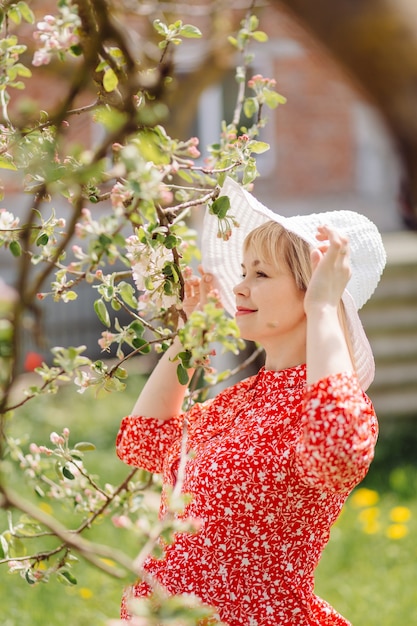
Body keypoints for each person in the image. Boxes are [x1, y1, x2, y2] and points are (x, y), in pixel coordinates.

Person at [116, 177, 387, 625]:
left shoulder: (321, 405)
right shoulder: (241, 402)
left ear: (312, 287)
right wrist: (191, 338)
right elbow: (144, 442)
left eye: (260, 274)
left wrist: (323, 308)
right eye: (243, 272)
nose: (239, 287)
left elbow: (337, 449)